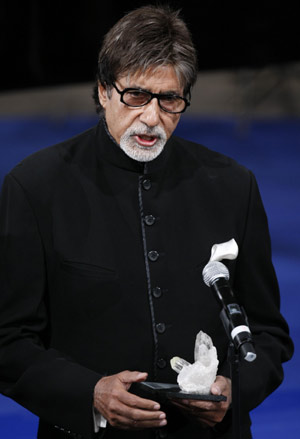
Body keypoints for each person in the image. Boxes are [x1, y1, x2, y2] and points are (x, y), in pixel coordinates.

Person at [0, 5, 293, 439]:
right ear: (103, 91)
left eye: (170, 99)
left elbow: (267, 334)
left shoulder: (234, 186)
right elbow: (8, 338)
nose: (152, 118)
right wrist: (91, 393)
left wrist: (235, 392)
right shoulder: (36, 187)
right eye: (136, 95)